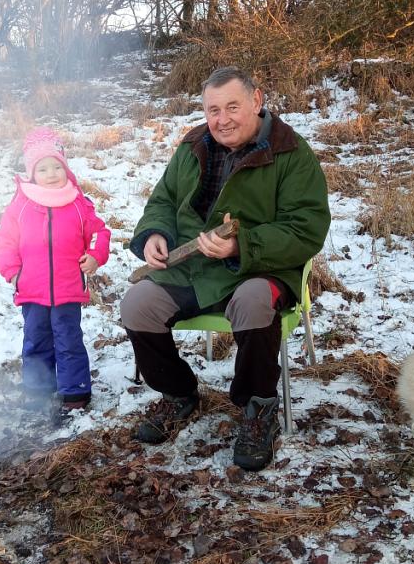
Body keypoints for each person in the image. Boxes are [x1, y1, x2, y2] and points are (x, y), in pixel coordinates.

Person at [120, 67, 330, 470]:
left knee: (253, 301)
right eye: (213, 110)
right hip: (191, 268)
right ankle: (178, 394)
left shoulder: (290, 152)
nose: (222, 119)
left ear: (257, 100)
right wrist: (154, 233)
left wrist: (241, 245)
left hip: (259, 267)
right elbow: (163, 201)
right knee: (137, 305)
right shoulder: (193, 145)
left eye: (233, 107)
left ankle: (258, 409)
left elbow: (306, 229)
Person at [0, 128, 111, 413]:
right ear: (32, 173)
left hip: (68, 288)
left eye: (57, 167)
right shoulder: (21, 205)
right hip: (31, 289)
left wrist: (95, 256)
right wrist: (13, 272)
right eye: (43, 169)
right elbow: (5, 240)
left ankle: (75, 391)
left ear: (66, 168)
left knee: (68, 339)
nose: (51, 174)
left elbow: (99, 233)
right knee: (36, 339)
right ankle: (38, 388)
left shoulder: (78, 203)